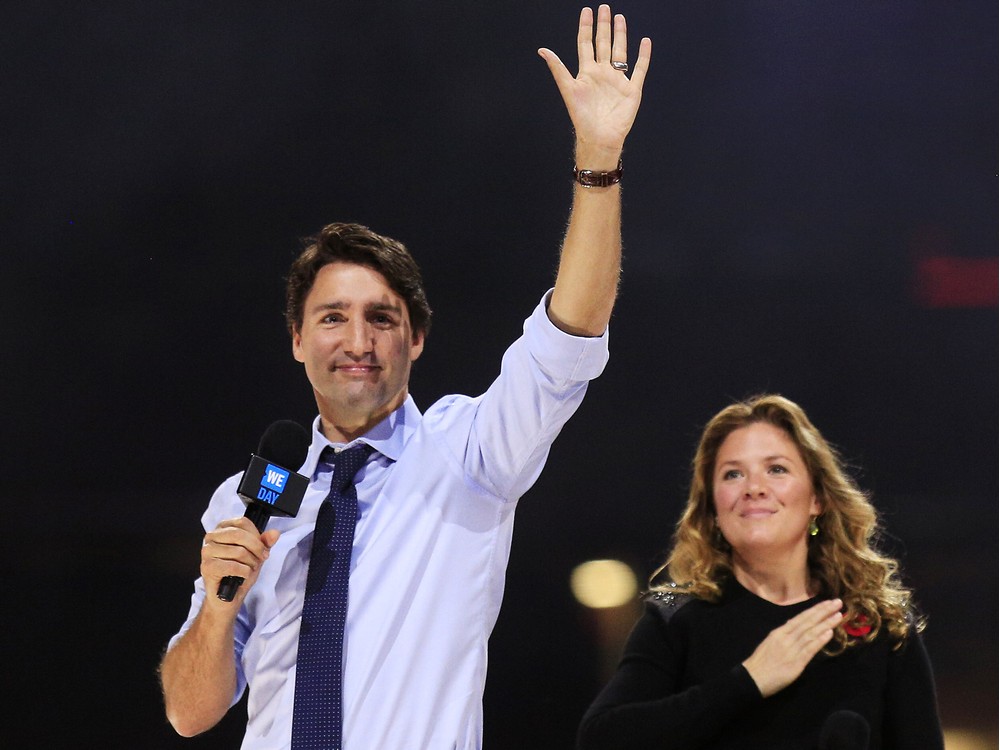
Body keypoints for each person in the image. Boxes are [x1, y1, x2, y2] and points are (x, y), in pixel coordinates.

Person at [159, 6, 652, 749]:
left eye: (381, 319)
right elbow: (188, 713)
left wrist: (598, 159)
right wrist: (220, 607)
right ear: (296, 340)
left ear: (417, 338)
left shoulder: (471, 452)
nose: (356, 340)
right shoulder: (248, 499)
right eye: (332, 318)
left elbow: (569, 334)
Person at [577, 395, 944, 750]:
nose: (753, 488)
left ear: (817, 499)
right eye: (733, 474)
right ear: (713, 508)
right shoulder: (675, 616)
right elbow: (601, 738)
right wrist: (749, 680)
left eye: (776, 469)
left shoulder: (881, 625)